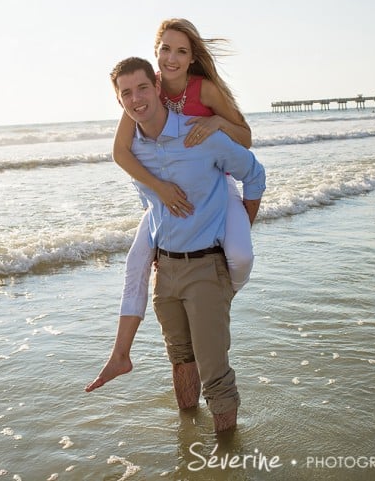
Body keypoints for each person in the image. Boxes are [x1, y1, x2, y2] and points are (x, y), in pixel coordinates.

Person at [94, 57, 265, 432]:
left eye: (142, 88)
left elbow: (254, 173)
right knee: (180, 361)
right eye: (126, 93)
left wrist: (241, 226)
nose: (136, 98)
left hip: (206, 267)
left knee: (215, 376)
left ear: (157, 87)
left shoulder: (200, 135)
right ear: (119, 101)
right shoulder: (132, 152)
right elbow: (150, 203)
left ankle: (226, 460)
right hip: (165, 272)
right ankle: (188, 446)